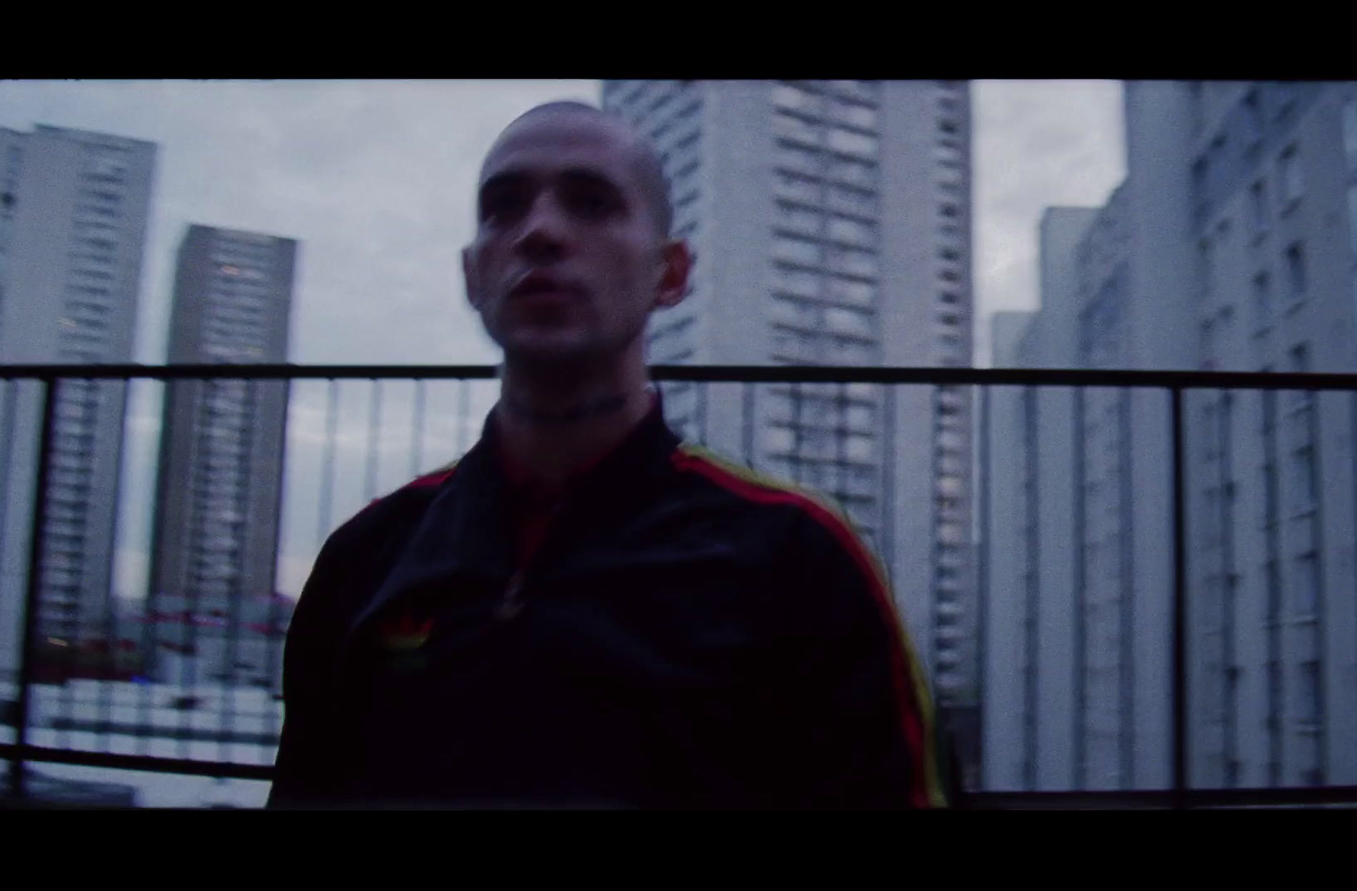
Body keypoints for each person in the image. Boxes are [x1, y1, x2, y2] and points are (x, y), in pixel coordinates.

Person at [267, 101, 951, 809]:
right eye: (504, 208)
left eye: (591, 202)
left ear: (671, 273)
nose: (540, 231)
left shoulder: (800, 558)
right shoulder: (367, 558)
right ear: (472, 275)